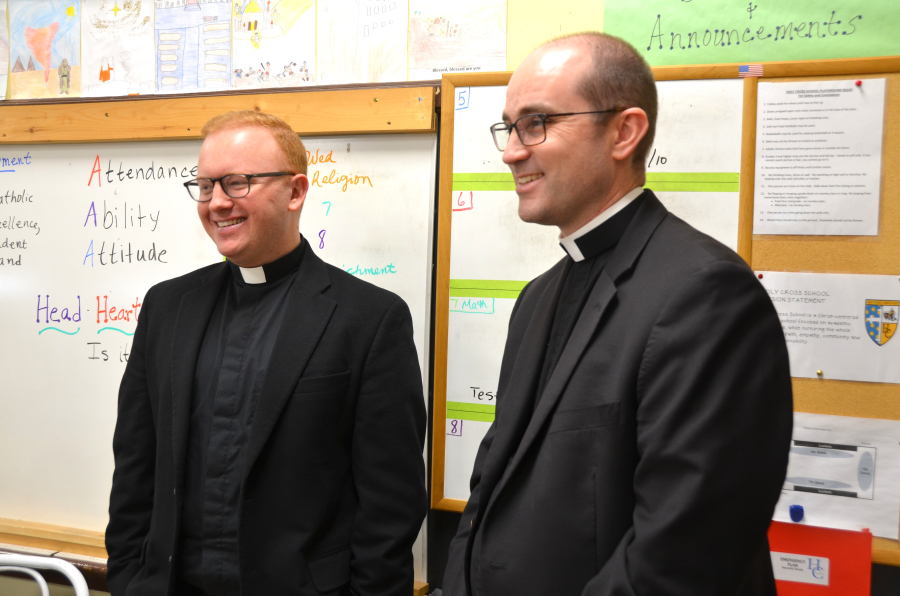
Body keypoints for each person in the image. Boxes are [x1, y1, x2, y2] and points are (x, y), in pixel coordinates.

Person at [443, 33, 793, 596]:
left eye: (536, 123)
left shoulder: (705, 294)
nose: (510, 150)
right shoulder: (537, 297)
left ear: (624, 132)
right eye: (508, 127)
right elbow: (489, 487)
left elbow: (687, 553)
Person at [106, 111, 427, 596]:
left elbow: (391, 504)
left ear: (295, 192)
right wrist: (130, 578)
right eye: (205, 185)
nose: (216, 203)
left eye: (236, 184)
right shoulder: (167, 307)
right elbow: (135, 463)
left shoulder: (368, 319)